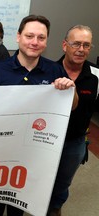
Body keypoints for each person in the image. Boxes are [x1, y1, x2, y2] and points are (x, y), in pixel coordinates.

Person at [0, 15, 78, 216]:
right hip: (0, 151)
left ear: (46, 41)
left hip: (34, 152)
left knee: (20, 201)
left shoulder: (55, 70)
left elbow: (72, 106)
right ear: (18, 37)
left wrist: (71, 89)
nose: (35, 42)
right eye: (29, 36)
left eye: (41, 37)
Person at [47, 25, 98, 216]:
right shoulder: (48, 70)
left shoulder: (96, 76)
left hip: (75, 141)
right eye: (76, 43)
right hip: (47, 139)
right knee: (42, 178)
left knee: (63, 182)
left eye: (86, 45)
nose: (81, 49)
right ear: (64, 45)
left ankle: (54, 208)